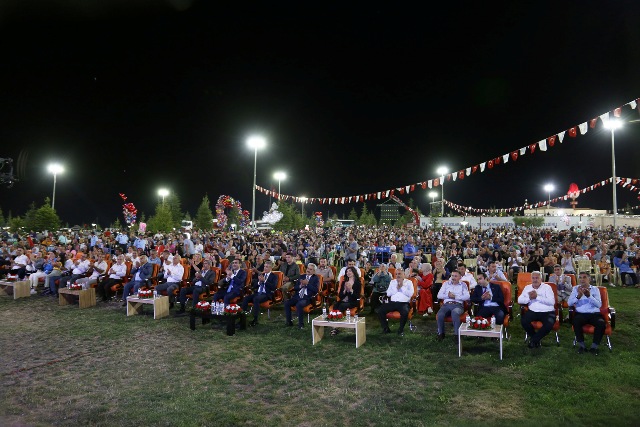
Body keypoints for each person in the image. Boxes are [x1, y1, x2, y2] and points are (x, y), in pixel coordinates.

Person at [568, 272, 606, 355]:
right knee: (576, 322)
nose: (582, 279)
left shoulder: (595, 289)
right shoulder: (575, 289)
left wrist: (589, 296)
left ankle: (594, 347)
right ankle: (582, 346)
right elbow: (569, 303)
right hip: (581, 314)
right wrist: (578, 296)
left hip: (594, 314)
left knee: (601, 324)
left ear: (589, 279)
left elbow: (599, 305)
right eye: (580, 277)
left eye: (584, 277)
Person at [517, 271, 556, 348]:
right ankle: (536, 339)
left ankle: (533, 341)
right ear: (531, 279)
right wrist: (529, 298)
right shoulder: (527, 287)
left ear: (541, 279)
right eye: (533, 278)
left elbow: (552, 302)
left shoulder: (547, 287)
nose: (535, 280)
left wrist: (537, 297)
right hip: (533, 311)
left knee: (549, 324)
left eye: (537, 278)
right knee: (524, 321)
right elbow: (519, 300)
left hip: (547, 311)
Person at [377, 269, 414, 337]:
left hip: (403, 303)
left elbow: (410, 294)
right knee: (380, 311)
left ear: (404, 275)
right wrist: (397, 288)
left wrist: (402, 287)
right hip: (393, 302)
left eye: (399, 274)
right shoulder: (392, 282)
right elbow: (388, 293)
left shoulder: (409, 282)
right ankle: (386, 329)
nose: (397, 275)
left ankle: (400, 330)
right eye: (396, 274)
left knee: (404, 312)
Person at [241, 260, 278, 326]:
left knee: (256, 299)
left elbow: (273, 287)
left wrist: (265, 281)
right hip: (258, 293)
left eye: (267, 267)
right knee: (246, 298)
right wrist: (259, 282)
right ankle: (242, 317)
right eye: (264, 266)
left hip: (266, 294)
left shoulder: (274, 276)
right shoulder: (261, 274)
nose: (265, 268)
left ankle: (255, 320)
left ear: (270, 268)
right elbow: (254, 286)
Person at [436, 270, 470, 341]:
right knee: (440, 314)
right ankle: (441, 334)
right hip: (447, 304)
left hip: (458, 305)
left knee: (455, 312)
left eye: (455, 276)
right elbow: (439, 295)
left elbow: (467, 296)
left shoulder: (463, 285)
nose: (453, 278)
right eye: (452, 276)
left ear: (460, 277)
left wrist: (455, 297)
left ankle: (457, 335)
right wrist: (448, 296)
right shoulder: (446, 284)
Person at [284, 263, 319, 329]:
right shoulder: (302, 276)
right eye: (308, 268)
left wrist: (307, 284)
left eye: (310, 269)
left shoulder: (315, 278)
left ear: (314, 271)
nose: (308, 270)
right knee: (287, 303)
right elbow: (295, 287)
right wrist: (300, 286)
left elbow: (316, 290)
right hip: (297, 296)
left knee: (299, 305)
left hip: (307, 298)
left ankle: (301, 325)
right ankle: (289, 322)